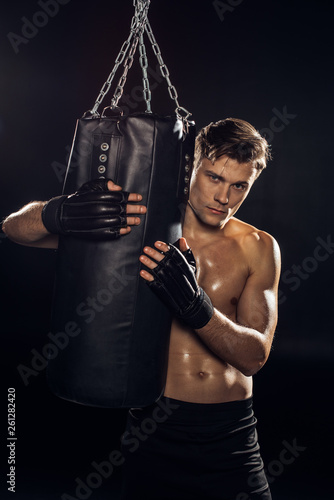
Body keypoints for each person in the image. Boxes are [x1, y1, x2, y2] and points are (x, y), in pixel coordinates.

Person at [2, 118, 280, 500]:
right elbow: (13, 229)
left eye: (239, 186)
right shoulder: (137, 225)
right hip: (153, 431)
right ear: (190, 168)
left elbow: (255, 356)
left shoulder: (258, 246)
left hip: (230, 437)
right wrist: (61, 211)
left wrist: (196, 306)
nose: (224, 198)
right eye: (214, 178)